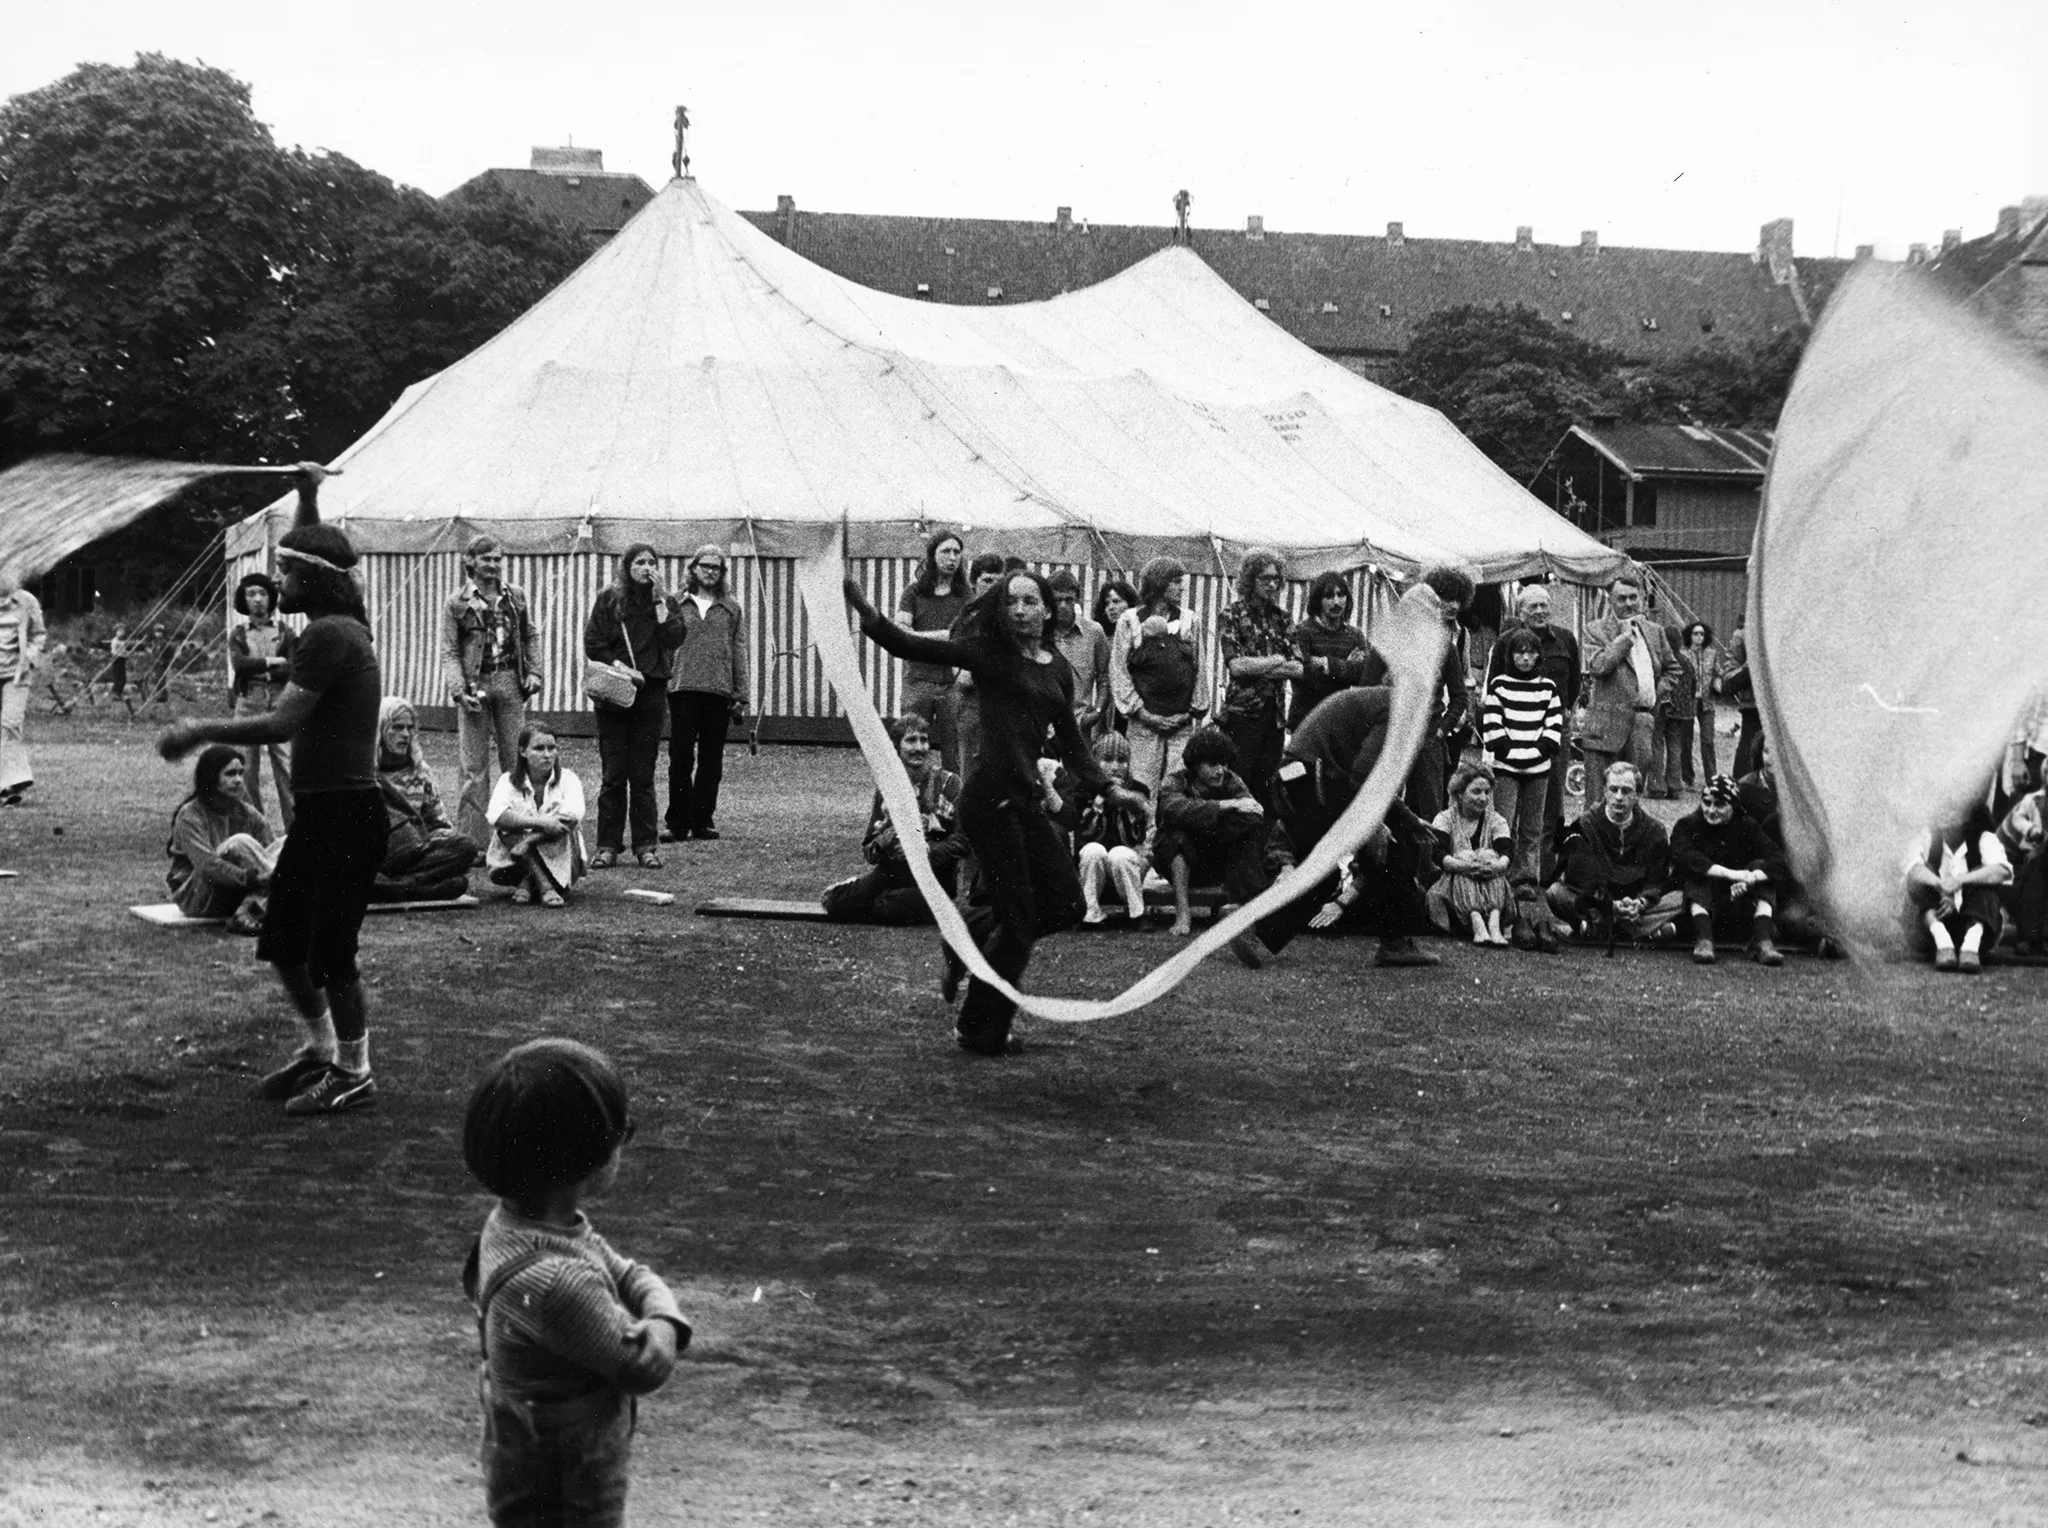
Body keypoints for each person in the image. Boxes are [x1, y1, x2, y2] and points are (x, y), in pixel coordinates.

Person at [157, 463, 388, 1117]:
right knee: (286, 943)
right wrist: (309, 496)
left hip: (346, 814)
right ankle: (323, 1050)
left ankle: (356, 1069)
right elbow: (312, 550)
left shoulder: (328, 634)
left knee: (331, 952)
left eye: (285, 575)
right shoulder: (338, 621)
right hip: (323, 814)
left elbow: (284, 721)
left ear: (310, 581)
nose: (275, 582)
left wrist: (200, 729)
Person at [842, 567, 1149, 1055]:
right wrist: (864, 610)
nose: (1021, 610)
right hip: (987, 802)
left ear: (1049, 608)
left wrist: (1112, 792)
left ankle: (965, 934)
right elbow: (909, 645)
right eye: (1012, 602)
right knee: (1021, 924)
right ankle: (979, 1027)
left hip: (1025, 801)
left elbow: (1072, 744)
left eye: (1030, 601)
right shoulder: (990, 653)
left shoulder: (1058, 670)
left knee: (1067, 904)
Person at [462, 1038, 690, 1528]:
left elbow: (625, 1272)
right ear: (585, 1159)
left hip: (523, 1443)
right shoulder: (560, 1283)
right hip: (568, 1469)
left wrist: (662, 1317)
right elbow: (637, 1367)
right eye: (620, 1134)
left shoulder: (518, 1225)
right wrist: (663, 1331)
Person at [1234, 610, 1447, 971]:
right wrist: (1377, 823)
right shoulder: (1394, 706)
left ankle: (1256, 930)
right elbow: (1363, 774)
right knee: (1390, 852)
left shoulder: (1375, 699)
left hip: (1293, 780)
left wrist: (1407, 818)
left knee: (1324, 869)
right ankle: (1395, 944)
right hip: (1314, 779)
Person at [583, 545, 685, 870]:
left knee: (642, 774)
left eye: (651, 562)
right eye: (639, 562)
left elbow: (673, 639)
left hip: (651, 692)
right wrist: (619, 665)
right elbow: (593, 642)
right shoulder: (610, 600)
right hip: (615, 691)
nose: (646, 567)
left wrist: (658, 601)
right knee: (614, 773)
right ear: (626, 567)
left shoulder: (666, 602)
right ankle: (607, 846)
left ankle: (646, 846)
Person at [441, 535, 544, 852]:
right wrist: (458, 690)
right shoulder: (457, 602)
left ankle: (519, 838)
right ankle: (472, 844)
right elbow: (450, 652)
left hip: (510, 681)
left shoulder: (515, 596)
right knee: (474, 769)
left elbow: (529, 635)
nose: (494, 565)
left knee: (516, 763)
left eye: (498, 559)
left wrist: (536, 672)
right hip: (475, 685)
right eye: (487, 559)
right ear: (470, 562)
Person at [821, 713, 965, 925]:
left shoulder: (949, 783)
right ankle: (872, 894)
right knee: (834, 902)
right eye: (911, 740)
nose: (919, 747)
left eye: (924, 740)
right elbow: (868, 849)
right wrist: (885, 840)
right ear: (898, 746)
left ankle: (920, 905)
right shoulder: (888, 787)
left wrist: (928, 851)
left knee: (887, 907)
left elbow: (964, 841)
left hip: (933, 879)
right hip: (891, 873)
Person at [1486, 583, 1581, 881]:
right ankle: (1507, 869)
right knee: (1508, 807)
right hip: (1512, 736)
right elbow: (1493, 689)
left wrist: (1560, 717)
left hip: (1552, 734)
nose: (1540, 611)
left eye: (1544, 605)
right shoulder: (1504, 643)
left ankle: (1540, 872)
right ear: (1520, 612)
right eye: (1533, 607)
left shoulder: (1565, 639)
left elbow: (1575, 682)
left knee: (1549, 802)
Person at [1363, 565, 1473, 821]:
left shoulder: (1445, 646)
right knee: (1383, 806)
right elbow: (1365, 690)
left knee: (1429, 808)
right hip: (1391, 733)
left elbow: (1460, 696)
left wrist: (1441, 730)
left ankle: (1428, 861)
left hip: (1428, 736)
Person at [1480, 626, 1564, 950]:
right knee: (1504, 822)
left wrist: (1539, 750)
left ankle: (1526, 879)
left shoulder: (1548, 688)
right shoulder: (1500, 685)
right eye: (1519, 653)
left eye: (1531, 653)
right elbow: (1493, 723)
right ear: (1510, 656)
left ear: (1538, 656)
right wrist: (1511, 752)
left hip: (1538, 768)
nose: (1525, 658)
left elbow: (1553, 724)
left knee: (1532, 826)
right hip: (1507, 767)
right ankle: (1500, 875)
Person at [663, 545, 749, 843]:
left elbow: (738, 649)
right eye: (706, 566)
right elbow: (662, 644)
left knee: (711, 760)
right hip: (682, 687)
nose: (711, 571)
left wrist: (741, 693)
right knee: (681, 757)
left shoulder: (731, 607)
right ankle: (677, 823)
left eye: (717, 567)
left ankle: (702, 821)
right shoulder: (675, 602)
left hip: (719, 690)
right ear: (694, 568)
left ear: (723, 573)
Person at [1546, 762, 1684, 944]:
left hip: (1637, 904)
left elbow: (1657, 881)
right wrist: (1610, 905)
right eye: (1614, 789)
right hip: (1600, 902)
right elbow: (1577, 877)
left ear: (1637, 795)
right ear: (1604, 791)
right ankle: (1641, 930)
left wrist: (1640, 903)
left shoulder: (1654, 830)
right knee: (1556, 893)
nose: (1619, 797)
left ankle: (1598, 929)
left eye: (1626, 791)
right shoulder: (1586, 825)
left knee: (1682, 897)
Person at [1152, 726, 1267, 937]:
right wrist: (1224, 806)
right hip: (1176, 860)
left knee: (1249, 833)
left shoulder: (1232, 781)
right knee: (1177, 835)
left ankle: (1246, 907)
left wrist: (1209, 826)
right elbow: (1173, 809)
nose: (1220, 770)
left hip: (1215, 857)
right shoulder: (1175, 781)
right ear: (1195, 766)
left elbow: (1253, 813)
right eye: (1212, 764)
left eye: (1223, 763)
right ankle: (1183, 911)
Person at [1110, 557, 1210, 793]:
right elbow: (1119, 672)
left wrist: (1189, 714)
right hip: (1144, 724)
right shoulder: (1130, 620)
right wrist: (1144, 714)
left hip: (1180, 723)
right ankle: (1145, 830)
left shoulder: (1189, 620)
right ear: (1159, 584)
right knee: (1142, 786)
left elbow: (1200, 669)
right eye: (1175, 582)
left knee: (1178, 786)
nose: (1181, 587)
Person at [1580, 571, 1682, 802]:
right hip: (1606, 726)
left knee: (1629, 799)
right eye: (1622, 598)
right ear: (1610, 601)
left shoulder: (1655, 631)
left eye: (1633, 597)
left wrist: (1655, 692)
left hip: (1642, 724)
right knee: (1598, 802)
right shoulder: (1595, 629)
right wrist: (1625, 640)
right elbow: (1598, 666)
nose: (1629, 603)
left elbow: (1673, 669)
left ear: (1642, 598)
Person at [1669, 775, 1787, 966]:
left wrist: (1751, 878)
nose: (1711, 810)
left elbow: (1778, 860)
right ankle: (1704, 940)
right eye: (1706, 803)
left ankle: (1762, 939)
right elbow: (1681, 855)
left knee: (1761, 867)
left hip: (1740, 906)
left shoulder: (1748, 826)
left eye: (1719, 804)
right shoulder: (1688, 825)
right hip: (1701, 910)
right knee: (1697, 871)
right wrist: (1730, 874)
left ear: (1734, 805)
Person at [1216, 548, 1301, 808]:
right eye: (1266, 578)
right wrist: (1276, 660)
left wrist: (1259, 665)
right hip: (1243, 714)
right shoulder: (1231, 615)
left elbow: (1297, 668)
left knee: (1269, 782)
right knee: (1238, 780)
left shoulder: (1283, 618)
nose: (1273, 584)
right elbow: (1237, 667)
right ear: (1251, 580)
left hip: (1274, 716)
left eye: (1276, 579)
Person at [374, 697, 477, 903]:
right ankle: (418, 888)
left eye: (410, 728)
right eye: (397, 727)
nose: (405, 734)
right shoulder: (365, 772)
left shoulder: (421, 772)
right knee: (457, 883)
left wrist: (438, 841)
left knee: (466, 848)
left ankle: (397, 886)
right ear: (380, 731)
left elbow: (438, 824)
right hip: (376, 855)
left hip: (415, 853)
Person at [164, 744, 278, 927]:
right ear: (211, 777)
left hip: (240, 891)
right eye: (230, 774)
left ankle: (263, 903)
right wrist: (253, 879)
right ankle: (277, 901)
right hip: (198, 897)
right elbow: (208, 866)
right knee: (239, 842)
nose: (239, 780)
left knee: (290, 843)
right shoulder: (190, 815)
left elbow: (269, 856)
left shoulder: (247, 813)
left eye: (241, 773)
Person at [486, 723, 587, 907]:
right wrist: (541, 822)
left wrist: (528, 841)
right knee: (506, 827)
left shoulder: (568, 779)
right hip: (512, 859)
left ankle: (529, 880)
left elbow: (572, 816)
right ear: (523, 751)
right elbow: (495, 815)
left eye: (552, 748)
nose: (547, 755)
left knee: (564, 824)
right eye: (539, 748)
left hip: (556, 852)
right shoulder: (508, 781)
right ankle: (543, 884)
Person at [227, 572, 297, 829]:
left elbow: (292, 667)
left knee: (288, 768)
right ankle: (254, 831)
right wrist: (270, 662)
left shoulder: (285, 632)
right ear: (243, 600)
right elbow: (240, 665)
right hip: (248, 702)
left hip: (280, 701)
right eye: (251, 594)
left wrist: (267, 671)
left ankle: (296, 832)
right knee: (244, 771)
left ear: (271, 598)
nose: (257, 600)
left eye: (263, 593)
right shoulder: (238, 634)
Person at [1904, 805, 2011, 973]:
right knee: (1921, 876)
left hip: (1978, 931)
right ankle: (1942, 941)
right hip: (1933, 927)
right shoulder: (1928, 837)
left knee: (1984, 877)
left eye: (1953, 806)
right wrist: (1941, 887)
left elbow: (2002, 871)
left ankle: (1971, 945)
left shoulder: (1984, 838)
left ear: (1968, 813)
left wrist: (1960, 883)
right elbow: (1912, 868)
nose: (1945, 811)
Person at [895, 531, 969, 771]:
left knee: (955, 753)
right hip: (918, 682)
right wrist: (943, 637)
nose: (952, 558)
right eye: (946, 551)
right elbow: (900, 633)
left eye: (957, 552)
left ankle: (954, 805)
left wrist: (917, 639)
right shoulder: (914, 592)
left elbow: (961, 636)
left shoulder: (966, 595)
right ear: (932, 555)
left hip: (953, 684)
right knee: (910, 747)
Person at [1427, 761, 1514, 946]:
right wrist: (1465, 866)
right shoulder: (1445, 818)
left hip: (1491, 884)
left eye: (1487, 793)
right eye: (1476, 792)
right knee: (1464, 857)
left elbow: (1506, 851)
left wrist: (1496, 866)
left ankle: (1494, 922)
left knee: (1489, 856)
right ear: (1459, 794)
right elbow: (1438, 855)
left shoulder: (1496, 820)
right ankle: (1476, 921)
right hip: (1452, 888)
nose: (1483, 798)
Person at [1074, 732, 1151, 924]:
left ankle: (1137, 914)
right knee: (1093, 850)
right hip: (1094, 867)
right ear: (1095, 761)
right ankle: (1091, 913)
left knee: (1119, 853)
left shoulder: (1139, 790)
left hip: (1125, 866)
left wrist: (1123, 799)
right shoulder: (1084, 789)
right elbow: (1087, 833)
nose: (1115, 767)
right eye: (1107, 760)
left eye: (1122, 760)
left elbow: (1133, 838)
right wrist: (1103, 797)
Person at [950, 552, 1008, 777]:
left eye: (999, 581)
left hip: (1007, 708)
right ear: (974, 583)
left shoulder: (1014, 619)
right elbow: (961, 677)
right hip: (973, 707)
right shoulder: (965, 620)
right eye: (987, 580)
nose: (993, 586)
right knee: (971, 775)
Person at [1288, 572, 1369, 729]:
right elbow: (1303, 678)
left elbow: (1365, 675)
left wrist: (1326, 664)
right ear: (1318, 600)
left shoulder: (1354, 635)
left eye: (1341, 595)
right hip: (1307, 718)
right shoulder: (1302, 631)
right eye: (1329, 596)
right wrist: (1347, 666)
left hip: (1340, 718)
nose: (1336, 602)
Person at [0, 567, 47, 807]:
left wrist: (28, 659)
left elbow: (39, 635)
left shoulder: (27, 601)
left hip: (15, 675)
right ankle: (8, 784)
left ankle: (13, 783)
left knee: (10, 724)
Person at [1047, 570, 1111, 739]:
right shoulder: (1038, 631)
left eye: (1068, 599)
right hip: (1042, 724)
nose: (1062, 605)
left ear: (1077, 600)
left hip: (1079, 725)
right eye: (1057, 600)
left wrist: (1096, 713)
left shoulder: (1094, 632)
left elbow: (1104, 678)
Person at [1667, 620, 1721, 791]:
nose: (1699, 637)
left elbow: (1718, 673)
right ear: (1689, 636)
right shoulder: (1683, 654)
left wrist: (1717, 683)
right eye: (1696, 634)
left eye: (1702, 634)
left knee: (1707, 740)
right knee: (1686, 740)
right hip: (1689, 701)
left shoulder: (1712, 654)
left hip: (1707, 702)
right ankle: (1687, 778)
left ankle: (1712, 779)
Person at [1998, 783, 2048, 956]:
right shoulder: (2036, 802)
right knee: (2036, 866)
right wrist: (2031, 830)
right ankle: (2029, 936)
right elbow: (2029, 850)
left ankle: (2040, 934)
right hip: (2010, 869)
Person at [1717, 618, 1765, 780]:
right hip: (1753, 707)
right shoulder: (1742, 635)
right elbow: (1728, 680)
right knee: (1750, 750)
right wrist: (1750, 666)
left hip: (1783, 708)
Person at [1090, 577, 1139, 723]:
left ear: (1130, 604)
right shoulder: (1101, 638)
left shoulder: (1139, 637)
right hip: (1107, 707)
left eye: (1116, 601)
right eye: (1107, 603)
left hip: (1134, 706)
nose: (1110, 607)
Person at [106, 623, 132, 705]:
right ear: (116, 632)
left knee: (123, 679)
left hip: (122, 661)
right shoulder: (115, 641)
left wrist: (127, 653)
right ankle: (115, 694)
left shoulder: (123, 641)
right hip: (116, 661)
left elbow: (124, 651)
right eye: (119, 631)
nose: (122, 633)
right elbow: (114, 652)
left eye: (123, 631)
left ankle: (117, 694)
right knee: (118, 678)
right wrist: (124, 655)